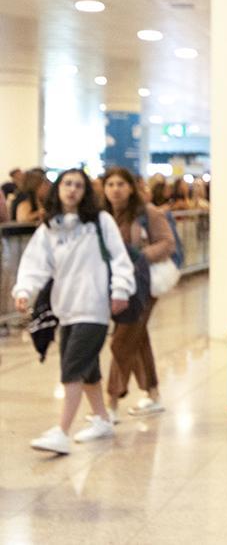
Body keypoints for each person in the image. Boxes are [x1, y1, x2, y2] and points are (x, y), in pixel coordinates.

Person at [12, 168, 135, 454]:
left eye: (79, 185)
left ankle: (62, 431)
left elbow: (119, 258)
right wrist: (23, 291)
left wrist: (120, 290)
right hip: (66, 308)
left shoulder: (100, 222)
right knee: (87, 369)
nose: (72, 190)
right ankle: (102, 419)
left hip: (93, 308)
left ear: (86, 192)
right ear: (58, 189)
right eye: (67, 184)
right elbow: (35, 263)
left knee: (72, 369)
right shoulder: (51, 227)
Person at [100, 167, 176, 420]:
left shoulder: (147, 213)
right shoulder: (103, 216)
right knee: (137, 338)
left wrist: (138, 257)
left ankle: (110, 403)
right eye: (110, 184)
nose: (115, 189)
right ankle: (153, 394)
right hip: (117, 285)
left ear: (131, 187)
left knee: (121, 340)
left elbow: (167, 243)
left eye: (121, 184)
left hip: (143, 283)